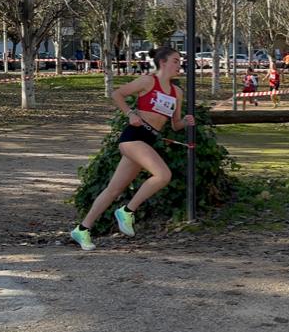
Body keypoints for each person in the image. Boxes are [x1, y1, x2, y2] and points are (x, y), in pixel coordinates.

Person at [70, 46, 195, 251]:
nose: (178, 64)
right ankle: (127, 211)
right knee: (163, 175)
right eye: (175, 60)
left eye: (179, 61)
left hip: (148, 141)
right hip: (132, 138)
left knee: (113, 190)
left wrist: (186, 122)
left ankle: (82, 229)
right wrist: (130, 114)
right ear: (162, 62)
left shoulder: (177, 92)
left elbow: (174, 125)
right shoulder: (148, 81)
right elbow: (117, 94)